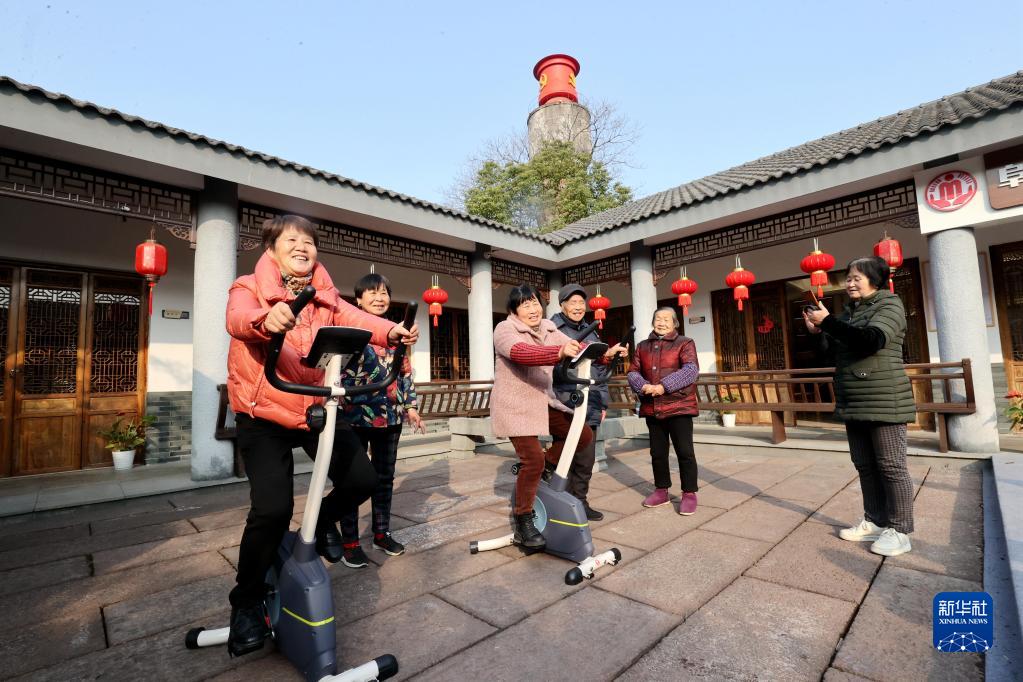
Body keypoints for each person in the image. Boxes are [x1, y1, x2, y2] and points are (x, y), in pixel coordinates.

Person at [224, 215, 418, 656]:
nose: (302, 247)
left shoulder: (326, 297)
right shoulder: (247, 287)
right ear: (272, 249)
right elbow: (237, 319)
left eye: (309, 242)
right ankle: (246, 602)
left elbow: (357, 318)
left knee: (362, 480)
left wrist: (392, 332)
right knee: (272, 510)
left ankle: (321, 523)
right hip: (264, 411)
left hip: (315, 405)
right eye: (291, 240)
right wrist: (266, 318)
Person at [491, 284, 618, 549]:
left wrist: (605, 355)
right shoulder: (505, 329)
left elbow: (576, 348)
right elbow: (521, 353)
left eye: (535, 303)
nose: (533, 309)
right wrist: (557, 353)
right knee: (532, 460)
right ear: (514, 310)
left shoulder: (549, 329)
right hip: (516, 406)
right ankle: (524, 520)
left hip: (543, 401)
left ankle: (545, 466)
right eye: (525, 304)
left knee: (582, 435)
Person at [804, 256, 915, 557]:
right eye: (848, 278)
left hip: (884, 397)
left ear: (875, 280)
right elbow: (832, 352)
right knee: (865, 465)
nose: (850, 283)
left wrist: (829, 322)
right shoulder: (850, 312)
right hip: (854, 397)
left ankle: (900, 530)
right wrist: (819, 332)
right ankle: (875, 521)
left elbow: (871, 341)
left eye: (857, 278)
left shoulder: (890, 305)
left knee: (891, 466)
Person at [337, 272, 425, 568]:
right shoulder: (351, 331)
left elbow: (405, 373)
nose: (379, 298)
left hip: (390, 417)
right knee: (351, 480)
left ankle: (381, 533)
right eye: (372, 293)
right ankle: (349, 542)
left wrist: (411, 407)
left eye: (384, 292)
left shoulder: (397, 333)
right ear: (358, 300)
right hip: (354, 417)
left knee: (385, 478)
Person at [550, 283, 626, 521]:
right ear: (562, 305)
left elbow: (597, 369)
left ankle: (580, 503)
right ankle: (559, 503)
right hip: (565, 401)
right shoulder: (552, 329)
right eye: (572, 302)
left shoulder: (590, 330)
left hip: (589, 401)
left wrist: (602, 402)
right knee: (565, 455)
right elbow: (550, 365)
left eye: (581, 303)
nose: (578, 307)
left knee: (586, 459)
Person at [628, 307, 701, 515]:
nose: (661, 322)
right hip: (653, 407)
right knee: (657, 452)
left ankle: (689, 493)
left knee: (685, 452)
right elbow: (633, 371)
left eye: (666, 319)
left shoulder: (685, 343)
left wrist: (663, 387)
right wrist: (642, 385)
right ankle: (661, 490)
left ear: (674, 323)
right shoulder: (642, 346)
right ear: (653, 322)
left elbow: (691, 370)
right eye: (658, 319)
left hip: (680, 406)